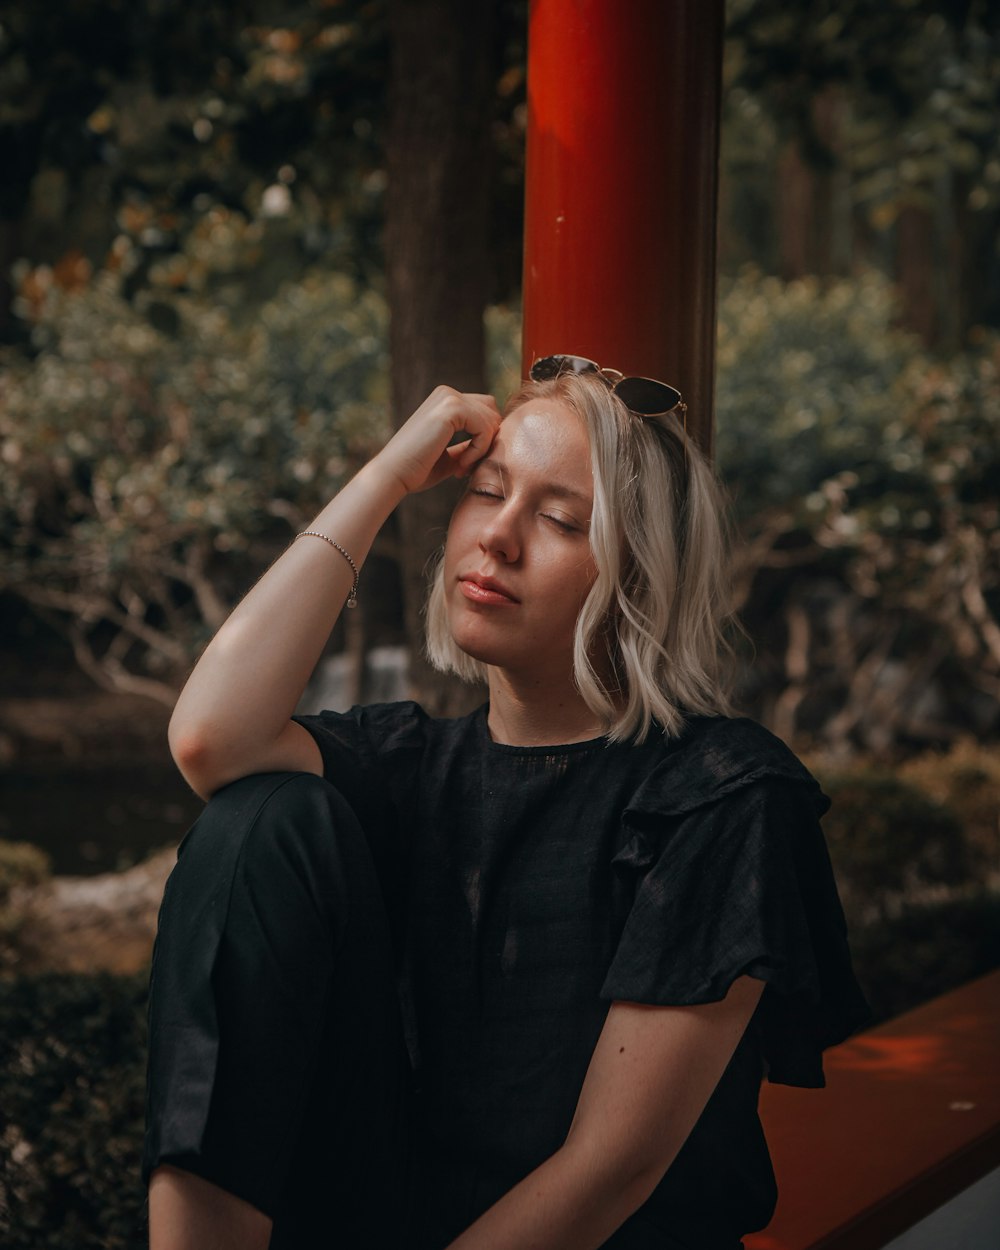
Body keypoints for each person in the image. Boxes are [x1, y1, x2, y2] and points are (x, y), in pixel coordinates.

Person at [143, 355, 870, 1250]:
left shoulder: (719, 795)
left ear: (640, 577)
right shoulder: (405, 766)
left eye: (561, 518)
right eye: (487, 492)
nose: (500, 537)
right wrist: (384, 478)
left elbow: (611, 1171)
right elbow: (211, 740)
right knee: (258, 818)